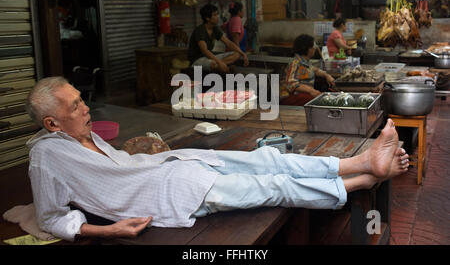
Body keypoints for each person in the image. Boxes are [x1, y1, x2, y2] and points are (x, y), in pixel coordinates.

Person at [25, 77, 409, 242]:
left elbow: (112, 170)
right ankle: (360, 180)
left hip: (173, 166)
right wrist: (109, 230)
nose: (86, 106)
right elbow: (51, 218)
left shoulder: (83, 135)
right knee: (272, 186)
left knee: (266, 159)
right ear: (51, 122)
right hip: (169, 192)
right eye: (76, 105)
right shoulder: (46, 158)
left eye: (81, 98)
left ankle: (360, 164)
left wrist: (140, 154)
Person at [188, 4, 249, 73]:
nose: (218, 17)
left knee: (237, 54)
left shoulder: (215, 28)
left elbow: (228, 42)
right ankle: (219, 66)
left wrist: (243, 53)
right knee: (214, 64)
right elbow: (205, 51)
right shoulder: (200, 30)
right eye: (215, 15)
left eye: (217, 14)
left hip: (210, 57)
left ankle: (219, 66)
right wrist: (219, 62)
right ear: (207, 18)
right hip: (198, 59)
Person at [280, 34, 336, 106]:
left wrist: (326, 75)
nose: (315, 49)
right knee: (321, 101)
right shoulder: (295, 63)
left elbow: (315, 70)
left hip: (302, 95)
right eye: (313, 47)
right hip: (289, 97)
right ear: (308, 49)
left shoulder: (305, 62)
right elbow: (291, 83)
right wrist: (311, 91)